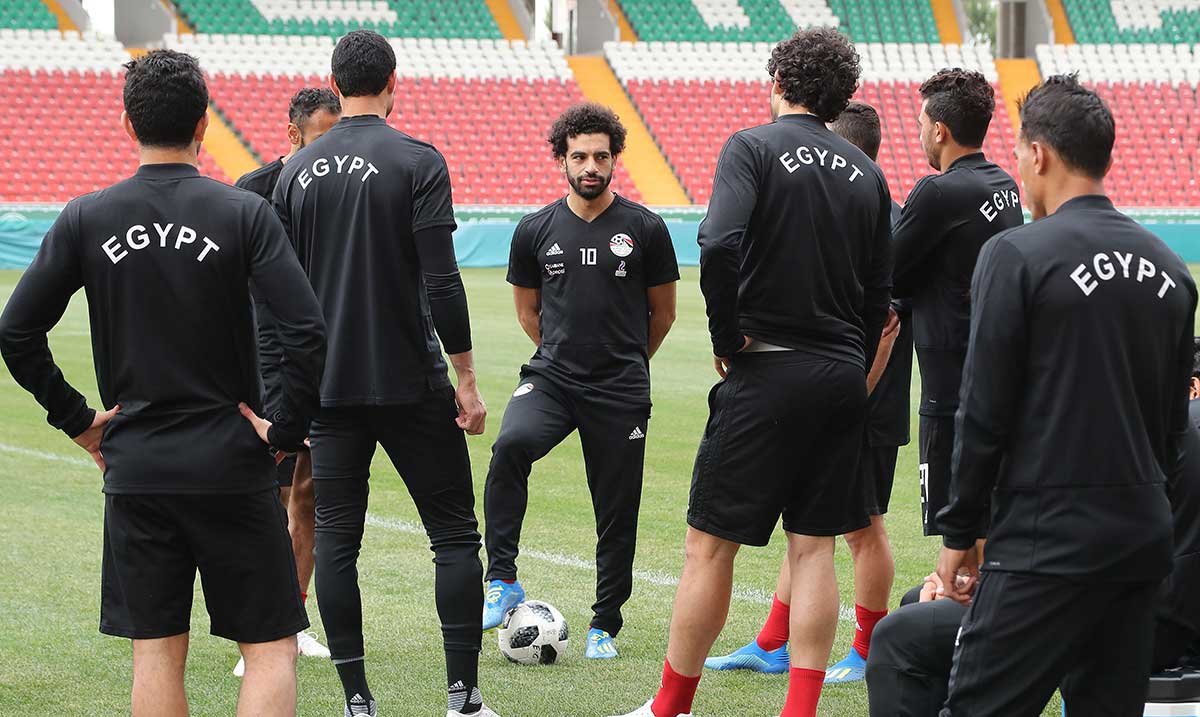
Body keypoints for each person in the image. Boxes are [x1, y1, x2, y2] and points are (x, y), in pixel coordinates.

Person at [0, 50, 326, 717]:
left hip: (138, 464)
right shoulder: (243, 213)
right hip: (233, 461)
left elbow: (15, 330)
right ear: (204, 125)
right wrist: (286, 431)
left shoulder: (86, 216)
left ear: (127, 124)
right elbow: (306, 332)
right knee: (269, 647)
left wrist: (79, 417)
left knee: (155, 652)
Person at [613, 27, 892, 717]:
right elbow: (877, 296)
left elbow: (718, 241)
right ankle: (798, 713)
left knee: (709, 547)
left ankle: (669, 707)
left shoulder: (752, 146)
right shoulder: (869, 173)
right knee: (814, 551)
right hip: (838, 375)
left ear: (777, 81)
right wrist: (848, 363)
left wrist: (726, 334)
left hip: (766, 369)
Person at [932, 74, 1196, 717]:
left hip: (1046, 540)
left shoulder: (1016, 254)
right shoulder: (1170, 268)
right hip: (1139, 540)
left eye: (1020, 154)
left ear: (1040, 154)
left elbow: (984, 413)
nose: (1019, 168)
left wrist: (958, 533)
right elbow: (1170, 428)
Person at [271, 31, 496, 717]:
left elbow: (279, 296)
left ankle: (357, 700)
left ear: (334, 83)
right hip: (410, 379)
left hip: (329, 389)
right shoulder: (416, 160)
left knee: (338, 540)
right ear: (393, 80)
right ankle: (462, 698)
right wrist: (465, 375)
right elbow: (442, 279)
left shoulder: (295, 173)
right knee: (454, 533)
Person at [864, 336, 1200, 716]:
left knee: (901, 635)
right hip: (1143, 611)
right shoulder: (1154, 428)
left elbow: (1076, 558)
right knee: (922, 608)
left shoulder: (1137, 436)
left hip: (1135, 624)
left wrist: (985, 592)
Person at [704, 101, 909, 684]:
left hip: (860, 385)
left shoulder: (874, 208)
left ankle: (866, 650)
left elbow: (886, 315)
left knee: (858, 526)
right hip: (845, 377)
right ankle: (774, 639)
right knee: (812, 534)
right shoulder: (864, 197)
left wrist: (859, 385)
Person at [481, 102, 679, 659]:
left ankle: (603, 625)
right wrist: (561, 354)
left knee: (616, 507)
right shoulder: (534, 230)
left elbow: (662, 315)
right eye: (579, 157)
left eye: (600, 155)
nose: (590, 166)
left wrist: (628, 363)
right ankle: (502, 578)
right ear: (561, 160)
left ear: (614, 158)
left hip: (620, 390)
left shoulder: (646, 229)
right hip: (553, 379)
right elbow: (528, 312)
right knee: (511, 444)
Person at [233, 86, 341, 676]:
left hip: (332, 361)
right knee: (267, 497)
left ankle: (293, 622)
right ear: (294, 135)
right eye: (324, 136)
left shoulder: (351, 189)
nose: (335, 151)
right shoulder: (252, 193)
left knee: (312, 493)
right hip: (268, 363)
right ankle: (260, 628)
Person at [891, 68, 1023, 538]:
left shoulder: (938, 191)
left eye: (922, 123)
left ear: (940, 130)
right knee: (989, 520)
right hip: (997, 371)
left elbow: (886, 271)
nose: (920, 133)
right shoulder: (1004, 184)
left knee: (958, 531)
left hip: (947, 387)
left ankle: (963, 609)